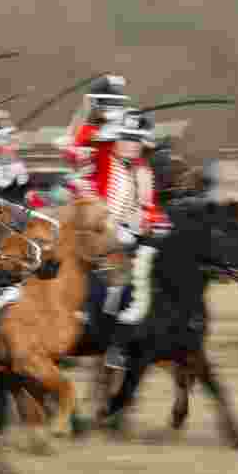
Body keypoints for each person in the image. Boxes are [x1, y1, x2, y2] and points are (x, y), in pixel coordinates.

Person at [67, 107, 172, 370]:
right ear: (114, 140)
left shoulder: (143, 171)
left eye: (136, 140)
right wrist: (98, 110)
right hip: (95, 235)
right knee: (107, 283)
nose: (131, 145)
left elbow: (148, 208)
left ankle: (125, 341)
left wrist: (157, 222)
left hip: (128, 239)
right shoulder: (103, 157)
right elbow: (84, 139)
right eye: (125, 139)